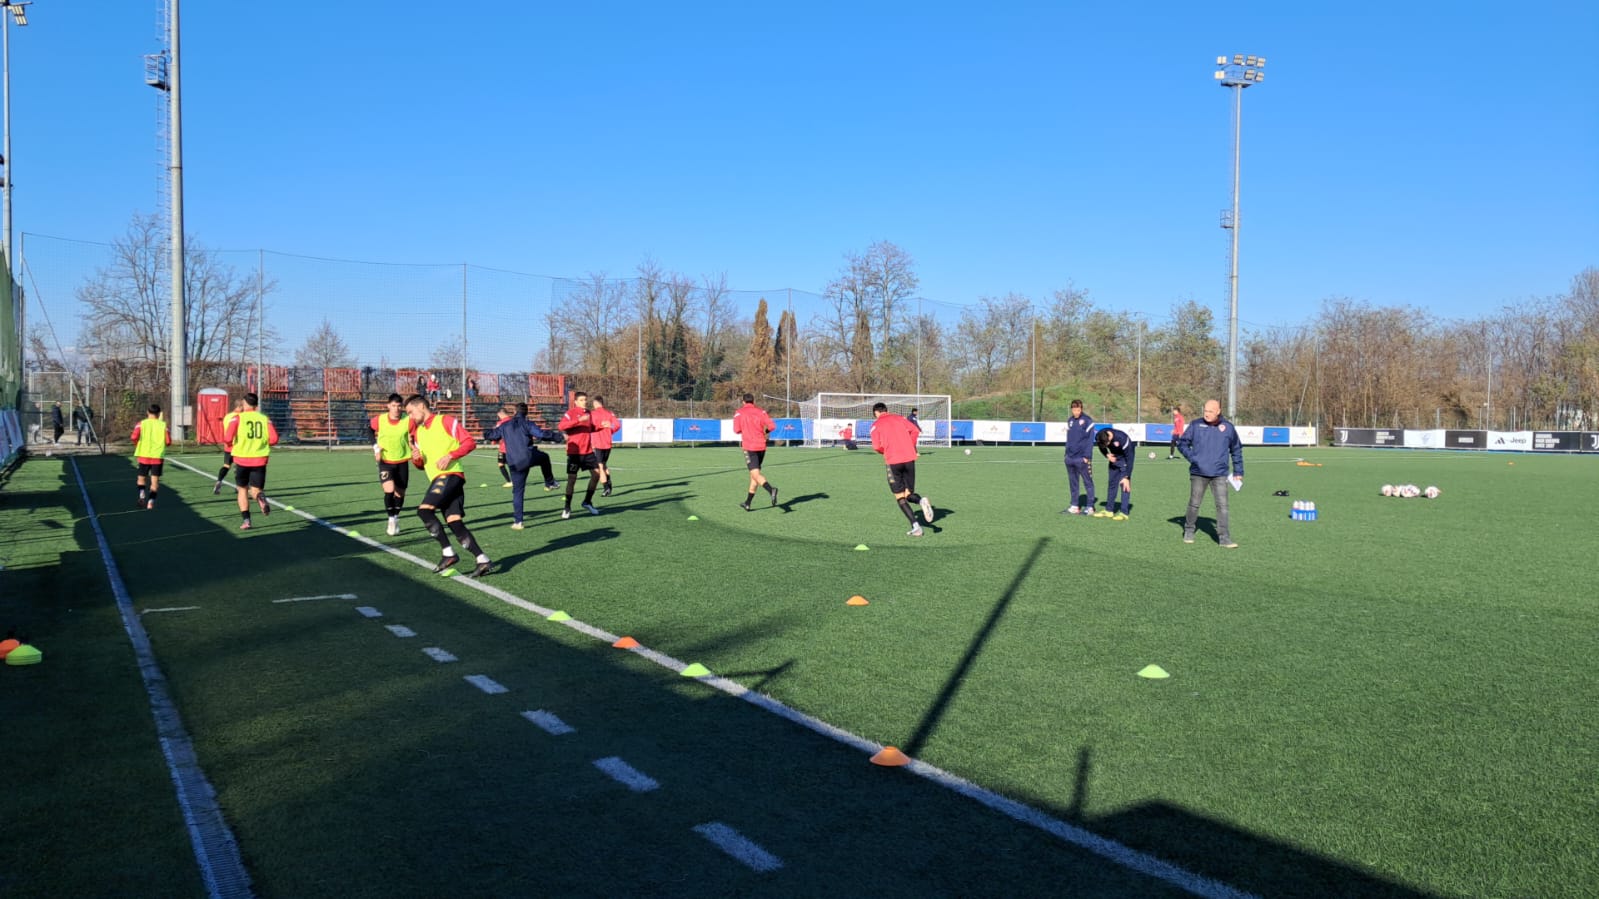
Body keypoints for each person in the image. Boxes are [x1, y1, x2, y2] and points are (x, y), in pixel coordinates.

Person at [406, 394, 492, 576]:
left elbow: (469, 442)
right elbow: (421, 465)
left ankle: (448, 553)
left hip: (450, 476)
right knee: (454, 522)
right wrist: (416, 459)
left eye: (411, 412)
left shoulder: (445, 421)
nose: (410, 417)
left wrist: (451, 455)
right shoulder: (419, 432)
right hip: (439, 480)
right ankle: (482, 559)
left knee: (424, 510)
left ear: (421, 406)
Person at [1176, 399, 1244, 548]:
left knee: (1223, 506)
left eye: (1210, 411)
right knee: (1194, 504)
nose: (1206, 414)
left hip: (1220, 473)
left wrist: (1238, 470)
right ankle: (1189, 530)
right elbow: (1181, 443)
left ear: (1218, 411)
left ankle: (1224, 538)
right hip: (1198, 472)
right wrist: (1194, 458)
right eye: (1205, 411)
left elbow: (1236, 449)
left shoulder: (1228, 427)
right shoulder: (1195, 425)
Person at [482, 403, 557, 529]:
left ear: (515, 412)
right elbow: (541, 434)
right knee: (544, 457)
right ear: (526, 412)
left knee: (518, 492)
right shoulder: (527, 423)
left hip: (514, 463)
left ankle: (518, 522)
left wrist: (486, 432)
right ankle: (549, 482)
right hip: (528, 457)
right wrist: (558, 436)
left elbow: (491, 435)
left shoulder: (505, 426)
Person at [871, 402, 934, 536]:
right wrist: (909, 446)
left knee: (900, 497)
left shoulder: (876, 425)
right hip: (909, 459)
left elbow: (876, 446)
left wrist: (886, 450)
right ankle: (921, 500)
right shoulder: (900, 418)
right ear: (886, 410)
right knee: (908, 493)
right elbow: (915, 431)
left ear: (876, 413)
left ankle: (916, 526)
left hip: (893, 461)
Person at [224, 393, 279, 529]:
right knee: (256, 490)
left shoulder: (237, 418)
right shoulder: (264, 419)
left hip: (242, 459)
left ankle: (247, 521)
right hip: (259, 460)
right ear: (256, 404)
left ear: (244, 404)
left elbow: (227, 438)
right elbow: (274, 439)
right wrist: (260, 444)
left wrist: (234, 444)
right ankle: (260, 497)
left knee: (242, 489)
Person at [370, 393, 413, 536]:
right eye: (393, 405)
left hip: (402, 461)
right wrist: (375, 447)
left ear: (402, 407)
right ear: (388, 406)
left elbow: (417, 433)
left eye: (399, 406)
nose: (396, 408)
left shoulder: (408, 420)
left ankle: (395, 517)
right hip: (385, 461)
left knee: (400, 493)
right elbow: (369, 429)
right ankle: (390, 519)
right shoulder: (380, 420)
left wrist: (416, 446)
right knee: (389, 490)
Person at [558, 391, 602, 519]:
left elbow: (590, 428)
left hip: (588, 451)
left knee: (597, 474)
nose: (585, 402)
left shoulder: (588, 413)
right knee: (572, 479)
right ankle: (567, 507)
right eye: (582, 400)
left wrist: (601, 427)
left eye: (585, 399)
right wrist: (578, 420)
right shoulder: (570, 413)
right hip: (574, 453)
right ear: (576, 402)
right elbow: (561, 426)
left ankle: (587, 502)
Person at [732, 393, 778, 510]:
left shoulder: (739, 412)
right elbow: (772, 426)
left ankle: (770, 489)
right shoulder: (761, 412)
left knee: (755, 474)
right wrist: (765, 431)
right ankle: (748, 503)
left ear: (743, 402)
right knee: (754, 475)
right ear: (753, 401)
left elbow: (736, 430)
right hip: (761, 446)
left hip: (749, 446)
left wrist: (746, 428)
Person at [130, 404, 171, 510]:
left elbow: (134, 437)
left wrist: (137, 444)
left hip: (144, 455)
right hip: (157, 457)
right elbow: (168, 441)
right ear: (159, 414)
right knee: (155, 482)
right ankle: (151, 502)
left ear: (148, 412)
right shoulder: (163, 426)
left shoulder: (141, 424)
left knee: (141, 479)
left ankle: (142, 493)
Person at [1094, 426, 1136, 520]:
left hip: (1125, 459)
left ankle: (1124, 513)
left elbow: (1130, 458)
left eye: (1107, 444)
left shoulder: (1122, 438)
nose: (1106, 446)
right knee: (1112, 484)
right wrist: (1107, 454)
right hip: (1114, 460)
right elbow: (1101, 447)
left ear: (1109, 437)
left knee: (1124, 485)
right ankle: (1109, 510)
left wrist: (1127, 476)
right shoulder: (1100, 435)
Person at [1063, 400, 1097, 515]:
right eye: (1073, 410)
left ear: (1081, 409)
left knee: (1088, 482)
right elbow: (1069, 439)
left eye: (1078, 410)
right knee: (1073, 482)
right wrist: (1066, 455)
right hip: (1070, 458)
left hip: (1082, 458)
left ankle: (1090, 507)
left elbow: (1090, 440)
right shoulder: (1070, 421)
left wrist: (1087, 456)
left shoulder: (1087, 421)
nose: (1076, 412)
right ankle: (1074, 506)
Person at [213, 398, 245, 494]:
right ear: (239, 406)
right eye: (243, 407)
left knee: (226, 465)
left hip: (228, 445)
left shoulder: (227, 416)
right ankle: (238, 486)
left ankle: (219, 481)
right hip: (238, 445)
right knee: (239, 467)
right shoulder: (240, 417)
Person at [590, 395, 621, 497]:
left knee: (599, 467)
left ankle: (606, 487)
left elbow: (590, 427)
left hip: (598, 444)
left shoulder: (592, 414)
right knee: (604, 464)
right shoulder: (609, 413)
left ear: (595, 403)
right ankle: (609, 483)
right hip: (607, 443)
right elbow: (617, 425)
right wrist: (610, 427)